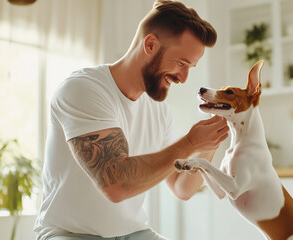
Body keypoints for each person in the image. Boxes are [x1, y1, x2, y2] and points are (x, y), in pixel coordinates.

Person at [34, 1, 229, 239]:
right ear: (150, 44)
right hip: (69, 233)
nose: (184, 78)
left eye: (191, 67)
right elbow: (116, 184)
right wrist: (190, 143)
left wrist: (207, 143)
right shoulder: (83, 89)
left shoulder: (159, 111)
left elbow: (182, 187)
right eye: (181, 63)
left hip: (134, 233)